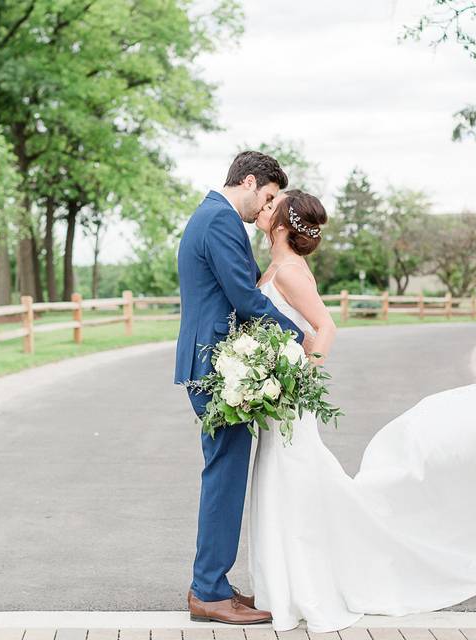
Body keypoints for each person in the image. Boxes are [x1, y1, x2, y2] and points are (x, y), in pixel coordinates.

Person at [244, 189, 476, 632]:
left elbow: (325, 327)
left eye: (272, 204)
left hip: (289, 398)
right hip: (275, 392)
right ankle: (283, 585)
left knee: (295, 481)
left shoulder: (290, 270)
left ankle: (305, 587)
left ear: (281, 224)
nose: (264, 206)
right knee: (282, 481)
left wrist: (303, 377)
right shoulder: (276, 266)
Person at [174, 151, 311, 624]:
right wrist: (298, 339)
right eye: (268, 197)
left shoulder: (212, 217)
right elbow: (245, 297)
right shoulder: (219, 221)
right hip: (215, 368)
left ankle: (214, 582)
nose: (266, 210)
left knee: (226, 474)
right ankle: (208, 591)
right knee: (224, 477)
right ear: (249, 182)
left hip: (215, 363)